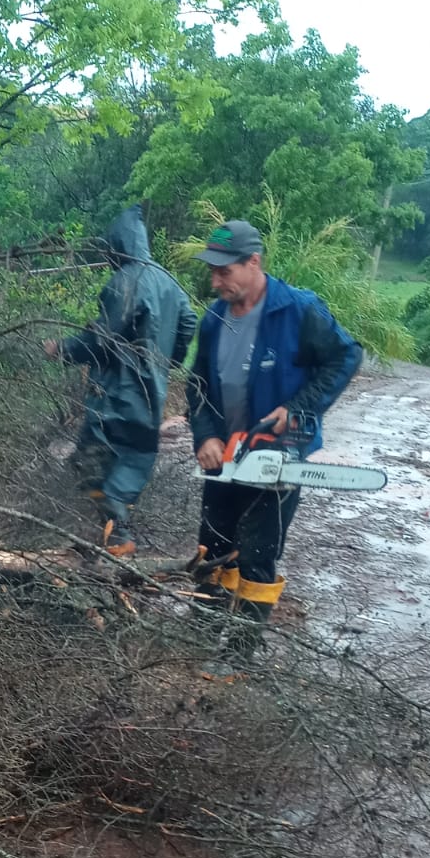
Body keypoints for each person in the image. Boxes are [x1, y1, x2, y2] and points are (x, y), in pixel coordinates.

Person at [187, 219, 363, 656]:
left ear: (253, 263)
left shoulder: (298, 309)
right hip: (224, 455)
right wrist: (205, 436)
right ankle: (197, 639)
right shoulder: (213, 319)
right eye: (213, 270)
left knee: (258, 555)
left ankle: (239, 654)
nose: (216, 280)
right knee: (212, 548)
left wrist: (299, 409)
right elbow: (197, 384)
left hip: (276, 457)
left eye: (224, 271)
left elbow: (345, 357)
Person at [44, 205, 196, 557]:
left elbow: (102, 340)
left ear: (116, 247)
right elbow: (187, 324)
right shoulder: (170, 284)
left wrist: (62, 349)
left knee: (88, 464)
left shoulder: (124, 281)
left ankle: (117, 539)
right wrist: (167, 363)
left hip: (115, 393)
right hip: (150, 395)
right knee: (133, 459)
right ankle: (114, 534)